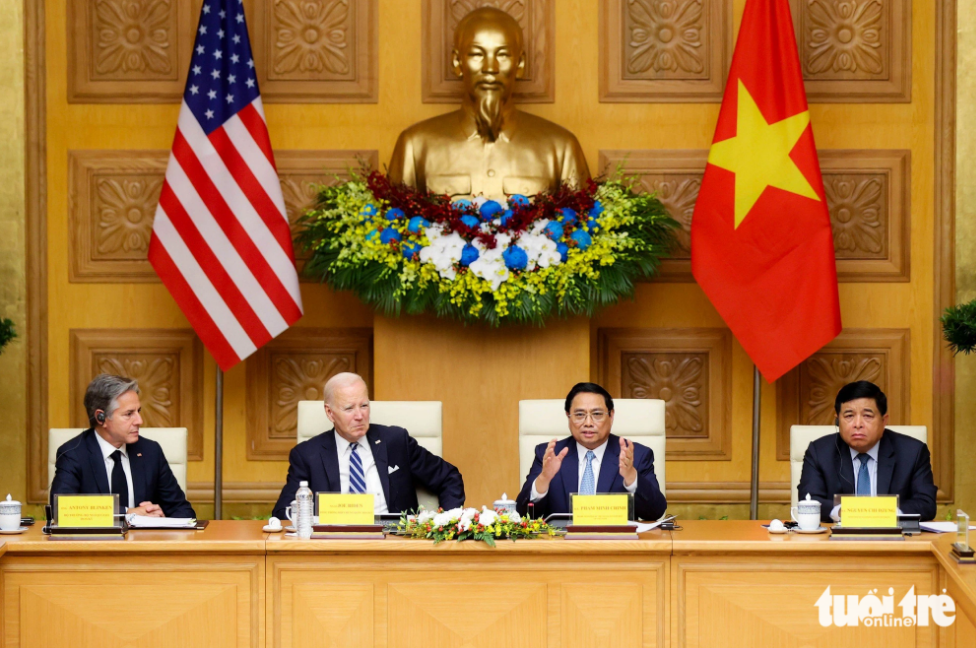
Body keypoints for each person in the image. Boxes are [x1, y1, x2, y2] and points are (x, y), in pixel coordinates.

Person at [388, 7, 589, 200]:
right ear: (457, 62)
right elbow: (395, 227)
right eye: (476, 54)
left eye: (502, 54)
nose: (490, 68)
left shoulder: (561, 149)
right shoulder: (415, 147)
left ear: (519, 64)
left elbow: (582, 228)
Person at [272, 373, 465, 519]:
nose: (359, 415)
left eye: (364, 406)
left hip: (395, 544)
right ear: (330, 413)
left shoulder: (396, 441)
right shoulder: (307, 455)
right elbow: (283, 512)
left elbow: (449, 477)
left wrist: (447, 522)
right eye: (349, 408)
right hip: (334, 548)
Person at [516, 382, 667, 521]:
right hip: (561, 546)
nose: (588, 423)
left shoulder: (637, 455)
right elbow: (524, 514)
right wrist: (544, 479)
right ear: (568, 416)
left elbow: (655, 513)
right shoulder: (549, 454)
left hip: (617, 546)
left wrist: (632, 477)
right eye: (580, 415)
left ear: (611, 416)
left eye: (597, 414)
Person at [50, 374, 195, 518]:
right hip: (96, 541)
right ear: (101, 418)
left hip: (144, 541)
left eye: (138, 411)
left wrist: (163, 521)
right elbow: (62, 509)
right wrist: (127, 513)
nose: (139, 421)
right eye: (129, 414)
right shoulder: (73, 454)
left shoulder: (150, 451)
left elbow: (182, 511)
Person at [797, 380, 937, 522]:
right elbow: (809, 499)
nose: (858, 424)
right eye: (849, 416)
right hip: (837, 541)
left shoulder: (912, 452)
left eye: (867, 416)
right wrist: (844, 512)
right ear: (838, 420)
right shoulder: (819, 452)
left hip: (894, 540)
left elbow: (926, 504)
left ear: (884, 421)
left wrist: (883, 514)